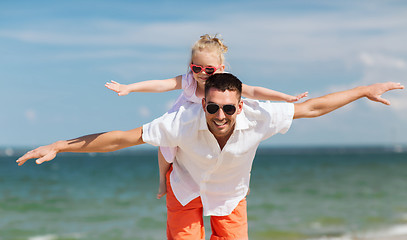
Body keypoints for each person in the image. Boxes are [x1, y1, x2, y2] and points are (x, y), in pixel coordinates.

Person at [17, 73, 404, 240]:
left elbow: (315, 108)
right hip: (185, 190)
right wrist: (60, 145)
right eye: (213, 108)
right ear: (203, 103)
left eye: (229, 109)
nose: (221, 116)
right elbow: (121, 138)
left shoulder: (259, 116)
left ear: (240, 104)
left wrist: (363, 89)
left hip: (231, 195)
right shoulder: (182, 122)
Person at [105, 34, 308, 199]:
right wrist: (128, 88)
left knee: (241, 144)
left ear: (220, 69)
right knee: (165, 146)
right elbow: (161, 84)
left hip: (215, 118)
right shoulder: (188, 81)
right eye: (196, 68)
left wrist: (285, 97)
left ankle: (243, 184)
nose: (202, 73)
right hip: (187, 119)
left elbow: (254, 91)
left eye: (209, 69)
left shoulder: (224, 84)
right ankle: (162, 180)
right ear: (191, 67)